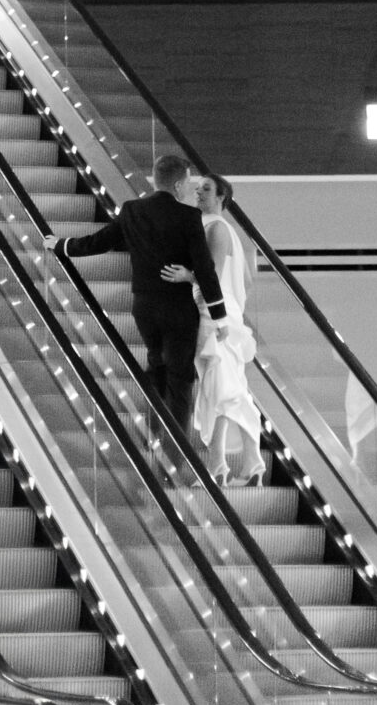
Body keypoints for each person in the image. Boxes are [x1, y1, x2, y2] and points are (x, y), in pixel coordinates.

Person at [48, 150, 226, 462]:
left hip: (144, 307)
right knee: (180, 379)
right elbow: (205, 268)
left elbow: (99, 241)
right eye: (188, 183)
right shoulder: (188, 217)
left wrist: (61, 245)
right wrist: (219, 315)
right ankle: (175, 458)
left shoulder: (132, 210)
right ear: (178, 185)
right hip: (178, 310)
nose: (190, 189)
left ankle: (152, 440)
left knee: (156, 368)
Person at [163, 175, 265, 487]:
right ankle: (252, 462)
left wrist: (187, 276)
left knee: (218, 386)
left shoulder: (216, 227)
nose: (199, 191)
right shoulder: (221, 229)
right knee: (229, 386)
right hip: (223, 311)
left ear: (221, 196)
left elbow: (212, 277)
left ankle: (219, 463)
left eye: (206, 188)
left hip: (212, 311)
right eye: (198, 188)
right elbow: (245, 280)